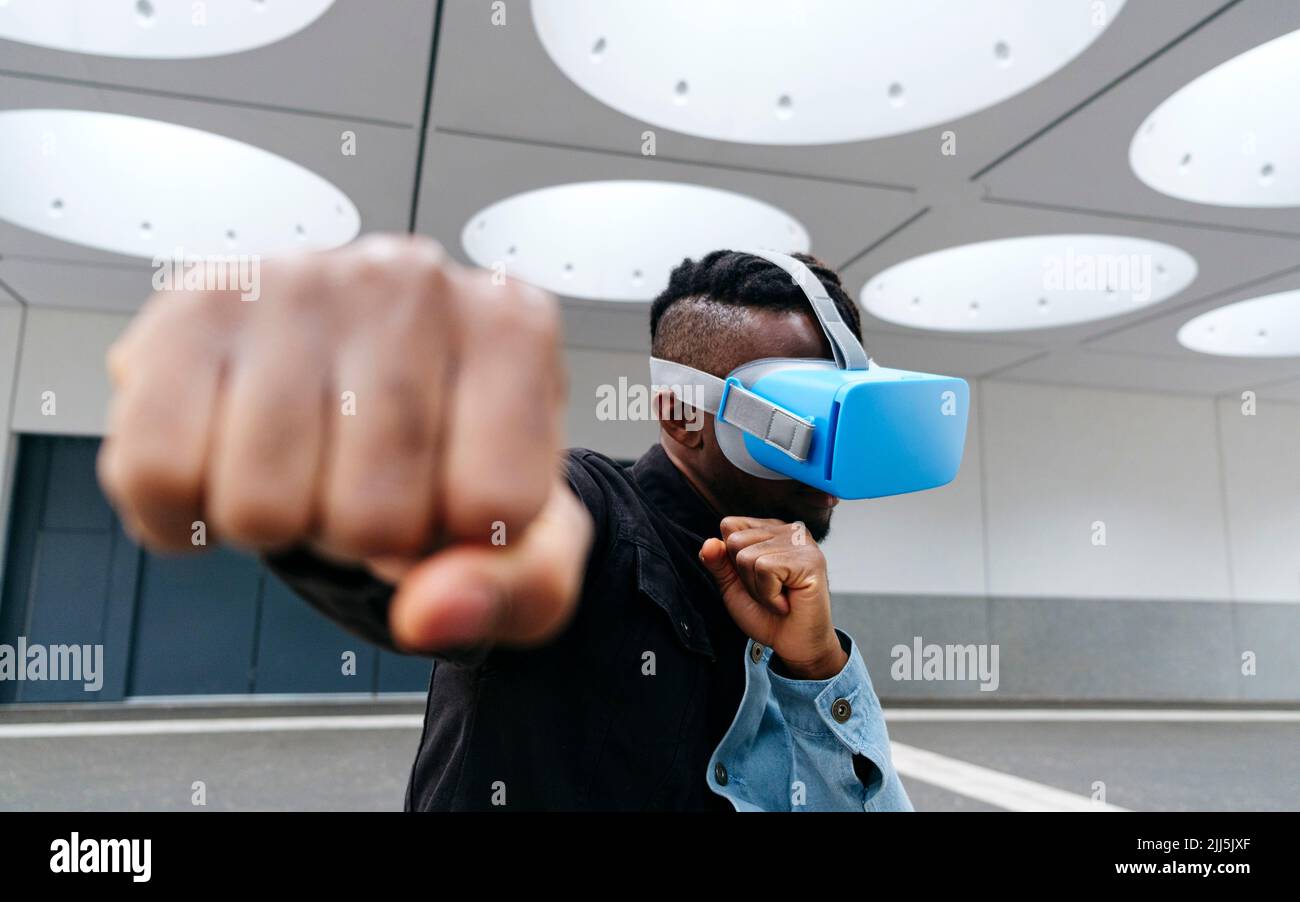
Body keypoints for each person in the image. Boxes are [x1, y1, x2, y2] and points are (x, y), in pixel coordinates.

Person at [98, 235, 911, 811]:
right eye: (804, 417)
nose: (831, 460)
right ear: (682, 413)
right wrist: (381, 469)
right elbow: (529, 526)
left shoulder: (794, 599)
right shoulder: (591, 514)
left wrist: (817, 669)